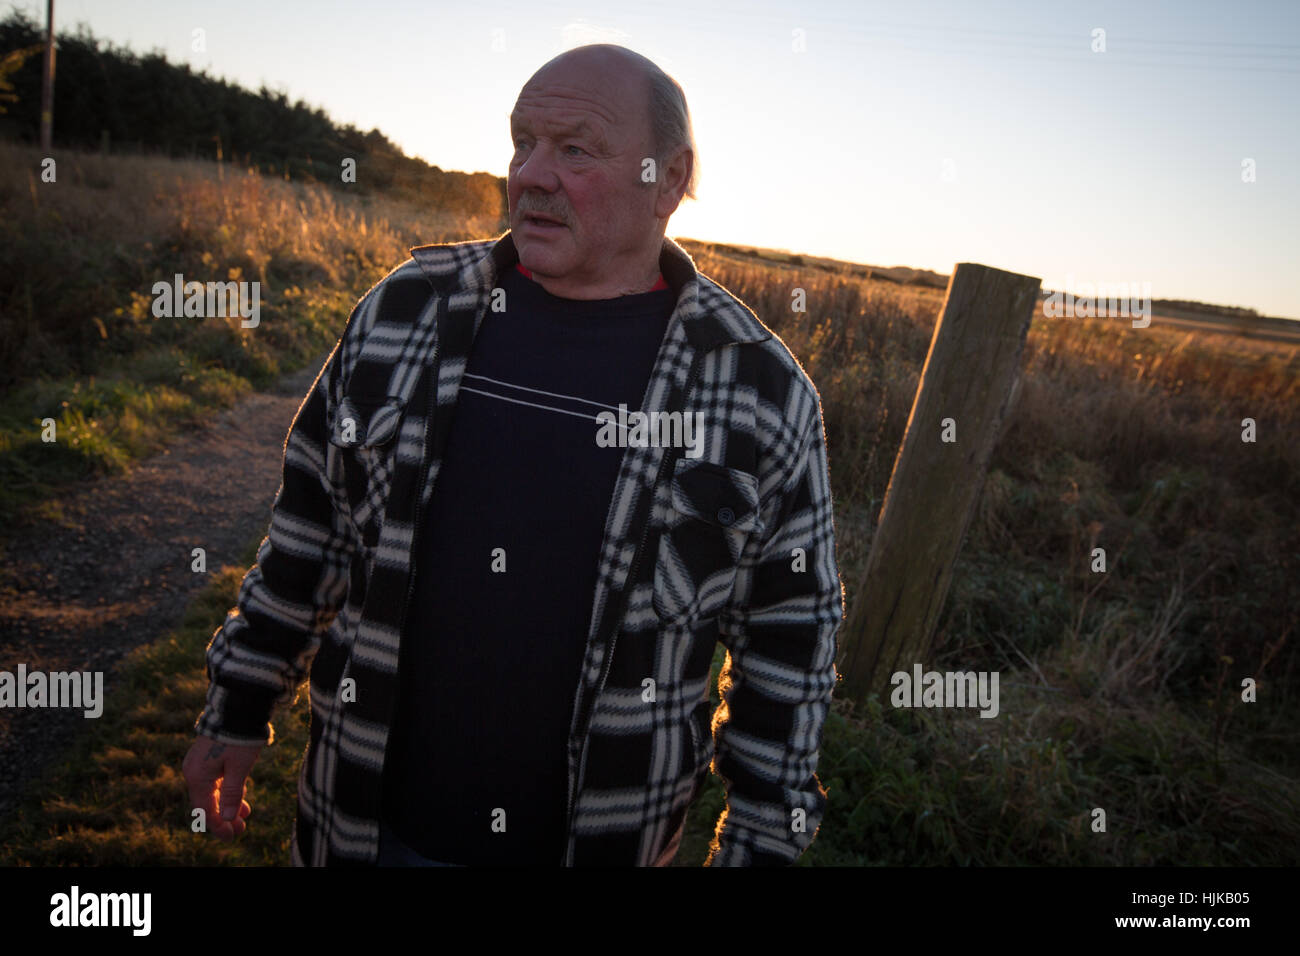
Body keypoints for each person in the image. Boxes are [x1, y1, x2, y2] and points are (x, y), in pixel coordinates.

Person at [182, 43, 843, 867]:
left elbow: (790, 635)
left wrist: (758, 837)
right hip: (362, 831)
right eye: (521, 142)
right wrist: (240, 701)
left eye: (574, 149)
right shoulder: (406, 311)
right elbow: (308, 530)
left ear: (667, 180)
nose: (531, 173)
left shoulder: (757, 387)